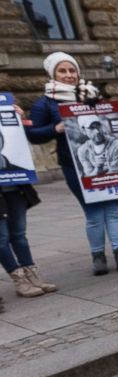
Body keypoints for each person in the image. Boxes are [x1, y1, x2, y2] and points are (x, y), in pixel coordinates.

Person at [27, 51, 118, 275]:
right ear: (52, 74)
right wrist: (54, 129)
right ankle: (98, 256)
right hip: (76, 166)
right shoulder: (45, 104)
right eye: (62, 71)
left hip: (111, 162)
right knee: (94, 213)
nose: (69, 75)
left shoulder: (92, 94)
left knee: (114, 212)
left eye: (72, 70)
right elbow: (33, 134)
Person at [0, 104, 56, 298]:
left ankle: (32, 274)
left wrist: (19, 120)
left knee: (19, 234)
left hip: (14, 187)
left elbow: (22, 143)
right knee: (1, 238)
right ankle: (19, 279)